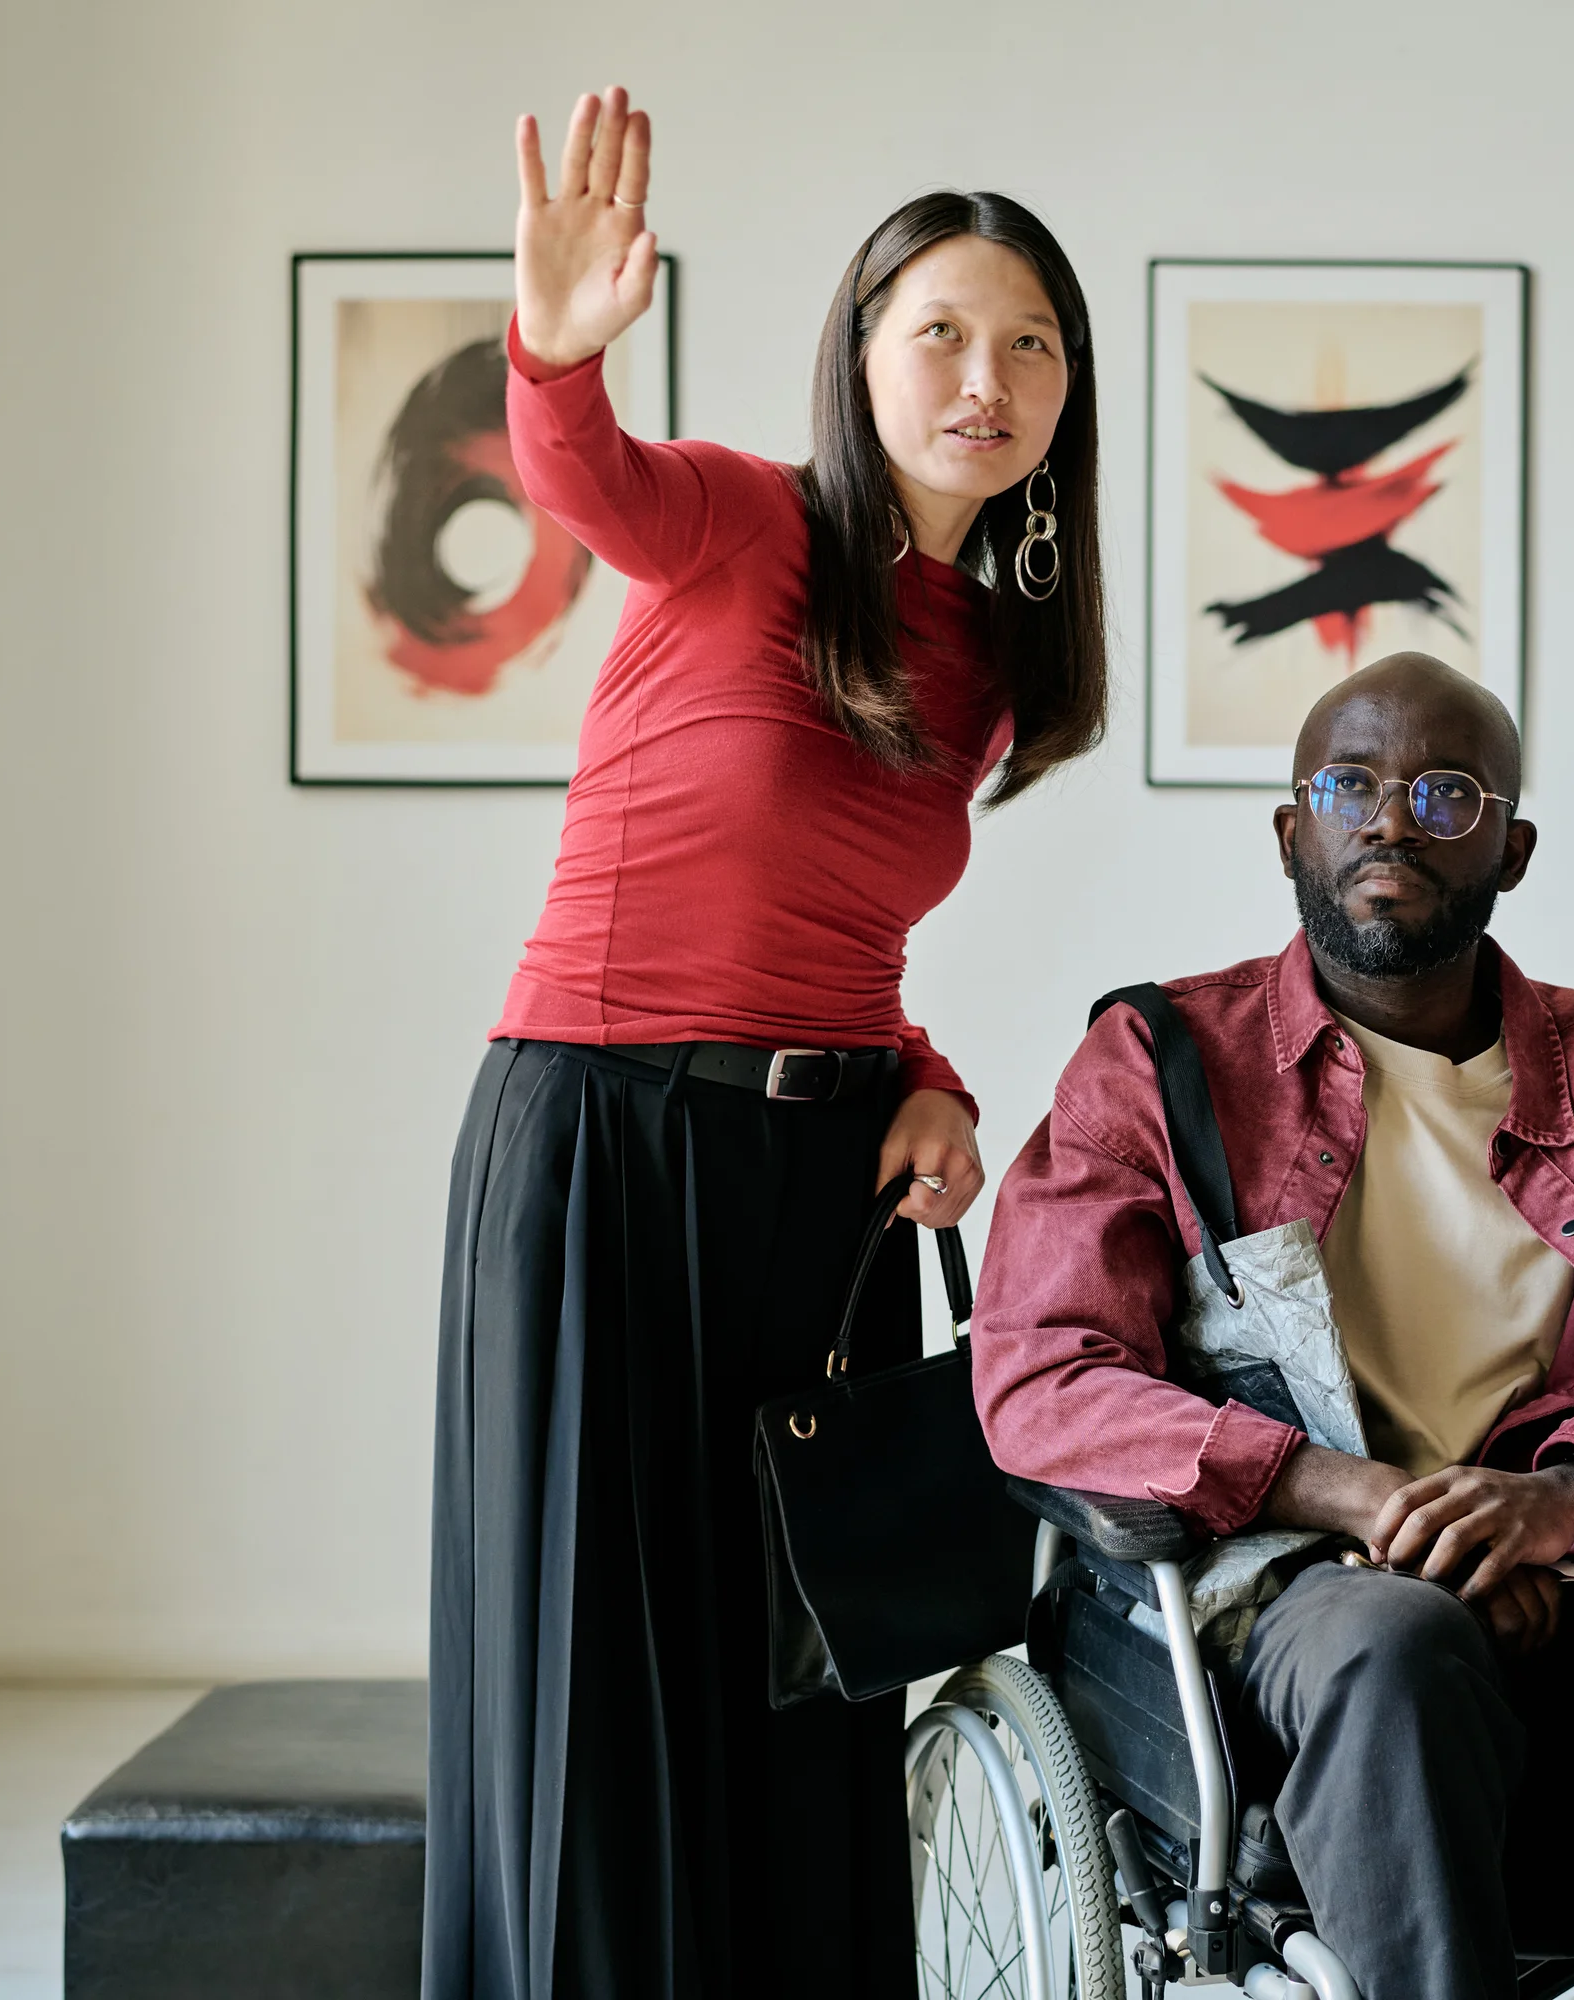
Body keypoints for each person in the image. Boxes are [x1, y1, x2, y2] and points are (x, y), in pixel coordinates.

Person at [421, 89, 1108, 1999]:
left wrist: (924, 1074)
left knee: (807, 1675)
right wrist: (555, 344)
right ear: (861, 356)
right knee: (601, 1688)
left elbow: (839, 931)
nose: (987, 379)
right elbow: (581, 474)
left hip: (812, 1198)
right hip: (604, 1145)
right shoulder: (743, 523)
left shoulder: (986, 662)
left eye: (1032, 345)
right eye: (942, 333)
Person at [972, 654, 1574, 1999]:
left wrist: (1569, 1499)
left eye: (1444, 794)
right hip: (1315, 1591)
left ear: (1513, 851)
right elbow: (1046, 1374)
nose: (1389, 821)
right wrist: (1355, 1498)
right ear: (1289, 833)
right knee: (1397, 1646)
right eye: (1347, 787)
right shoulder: (1156, 1069)